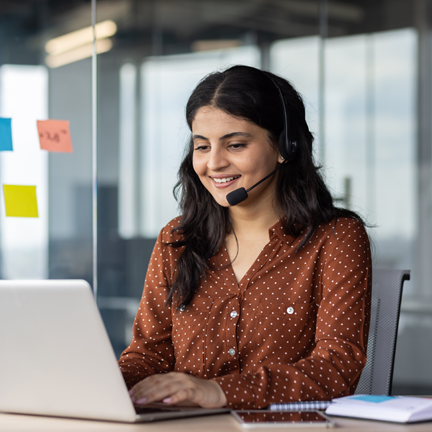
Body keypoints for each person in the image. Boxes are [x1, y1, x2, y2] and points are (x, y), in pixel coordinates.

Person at [118, 65, 371, 410]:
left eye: (235, 144)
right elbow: (149, 355)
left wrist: (220, 392)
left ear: (285, 146)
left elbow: (336, 366)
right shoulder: (176, 240)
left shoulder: (335, 237)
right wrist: (102, 383)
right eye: (202, 146)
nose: (214, 163)